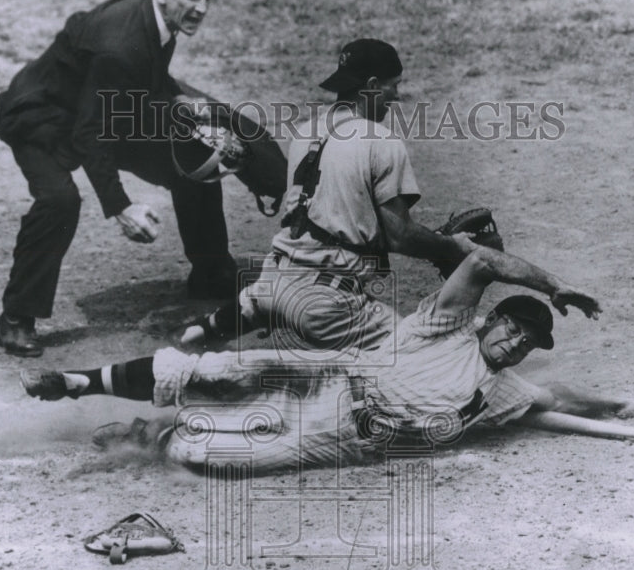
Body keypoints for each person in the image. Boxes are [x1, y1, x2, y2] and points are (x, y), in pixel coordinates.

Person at [20, 246, 634, 472]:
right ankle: (78, 381)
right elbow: (483, 263)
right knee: (213, 370)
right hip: (326, 375)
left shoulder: (506, 393)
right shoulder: (445, 326)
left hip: (338, 436)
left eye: (528, 341)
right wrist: (554, 288)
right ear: (492, 319)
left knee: (206, 456)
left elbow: (563, 402)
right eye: (514, 327)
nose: (517, 341)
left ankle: (147, 437)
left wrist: (632, 408)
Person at [0, 0, 286, 357]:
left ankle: (212, 271)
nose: (201, 8)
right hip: (42, 118)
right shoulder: (118, 45)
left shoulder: (159, 20)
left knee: (192, 155)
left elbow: (137, 87)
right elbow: (89, 133)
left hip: (106, 108)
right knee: (59, 202)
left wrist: (188, 111)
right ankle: (16, 318)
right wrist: (120, 206)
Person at [178, 38, 480, 354]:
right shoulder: (381, 140)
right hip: (325, 306)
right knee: (423, 357)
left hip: (275, 278)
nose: (397, 96)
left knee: (276, 291)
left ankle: (208, 329)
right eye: (394, 86)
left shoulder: (304, 132)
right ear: (373, 85)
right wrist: (449, 247)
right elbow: (400, 236)